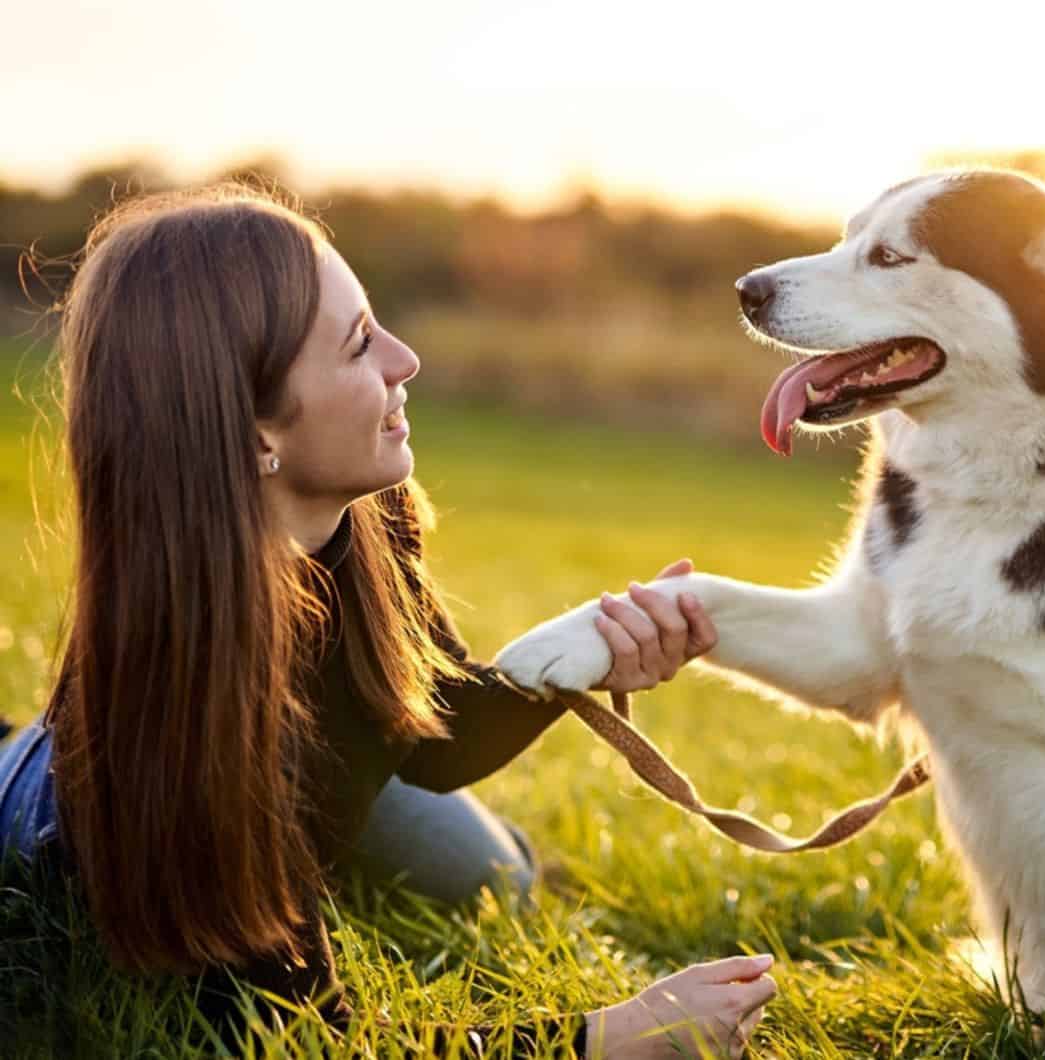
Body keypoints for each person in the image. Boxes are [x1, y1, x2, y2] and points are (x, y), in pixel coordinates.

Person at [0, 184, 776, 1057]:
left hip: (299, 785)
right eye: (359, 344)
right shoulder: (178, 749)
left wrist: (587, 651)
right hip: (58, 810)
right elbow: (302, 1045)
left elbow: (434, 735)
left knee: (494, 879)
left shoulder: (366, 516)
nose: (406, 360)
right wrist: (608, 1038)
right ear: (256, 431)